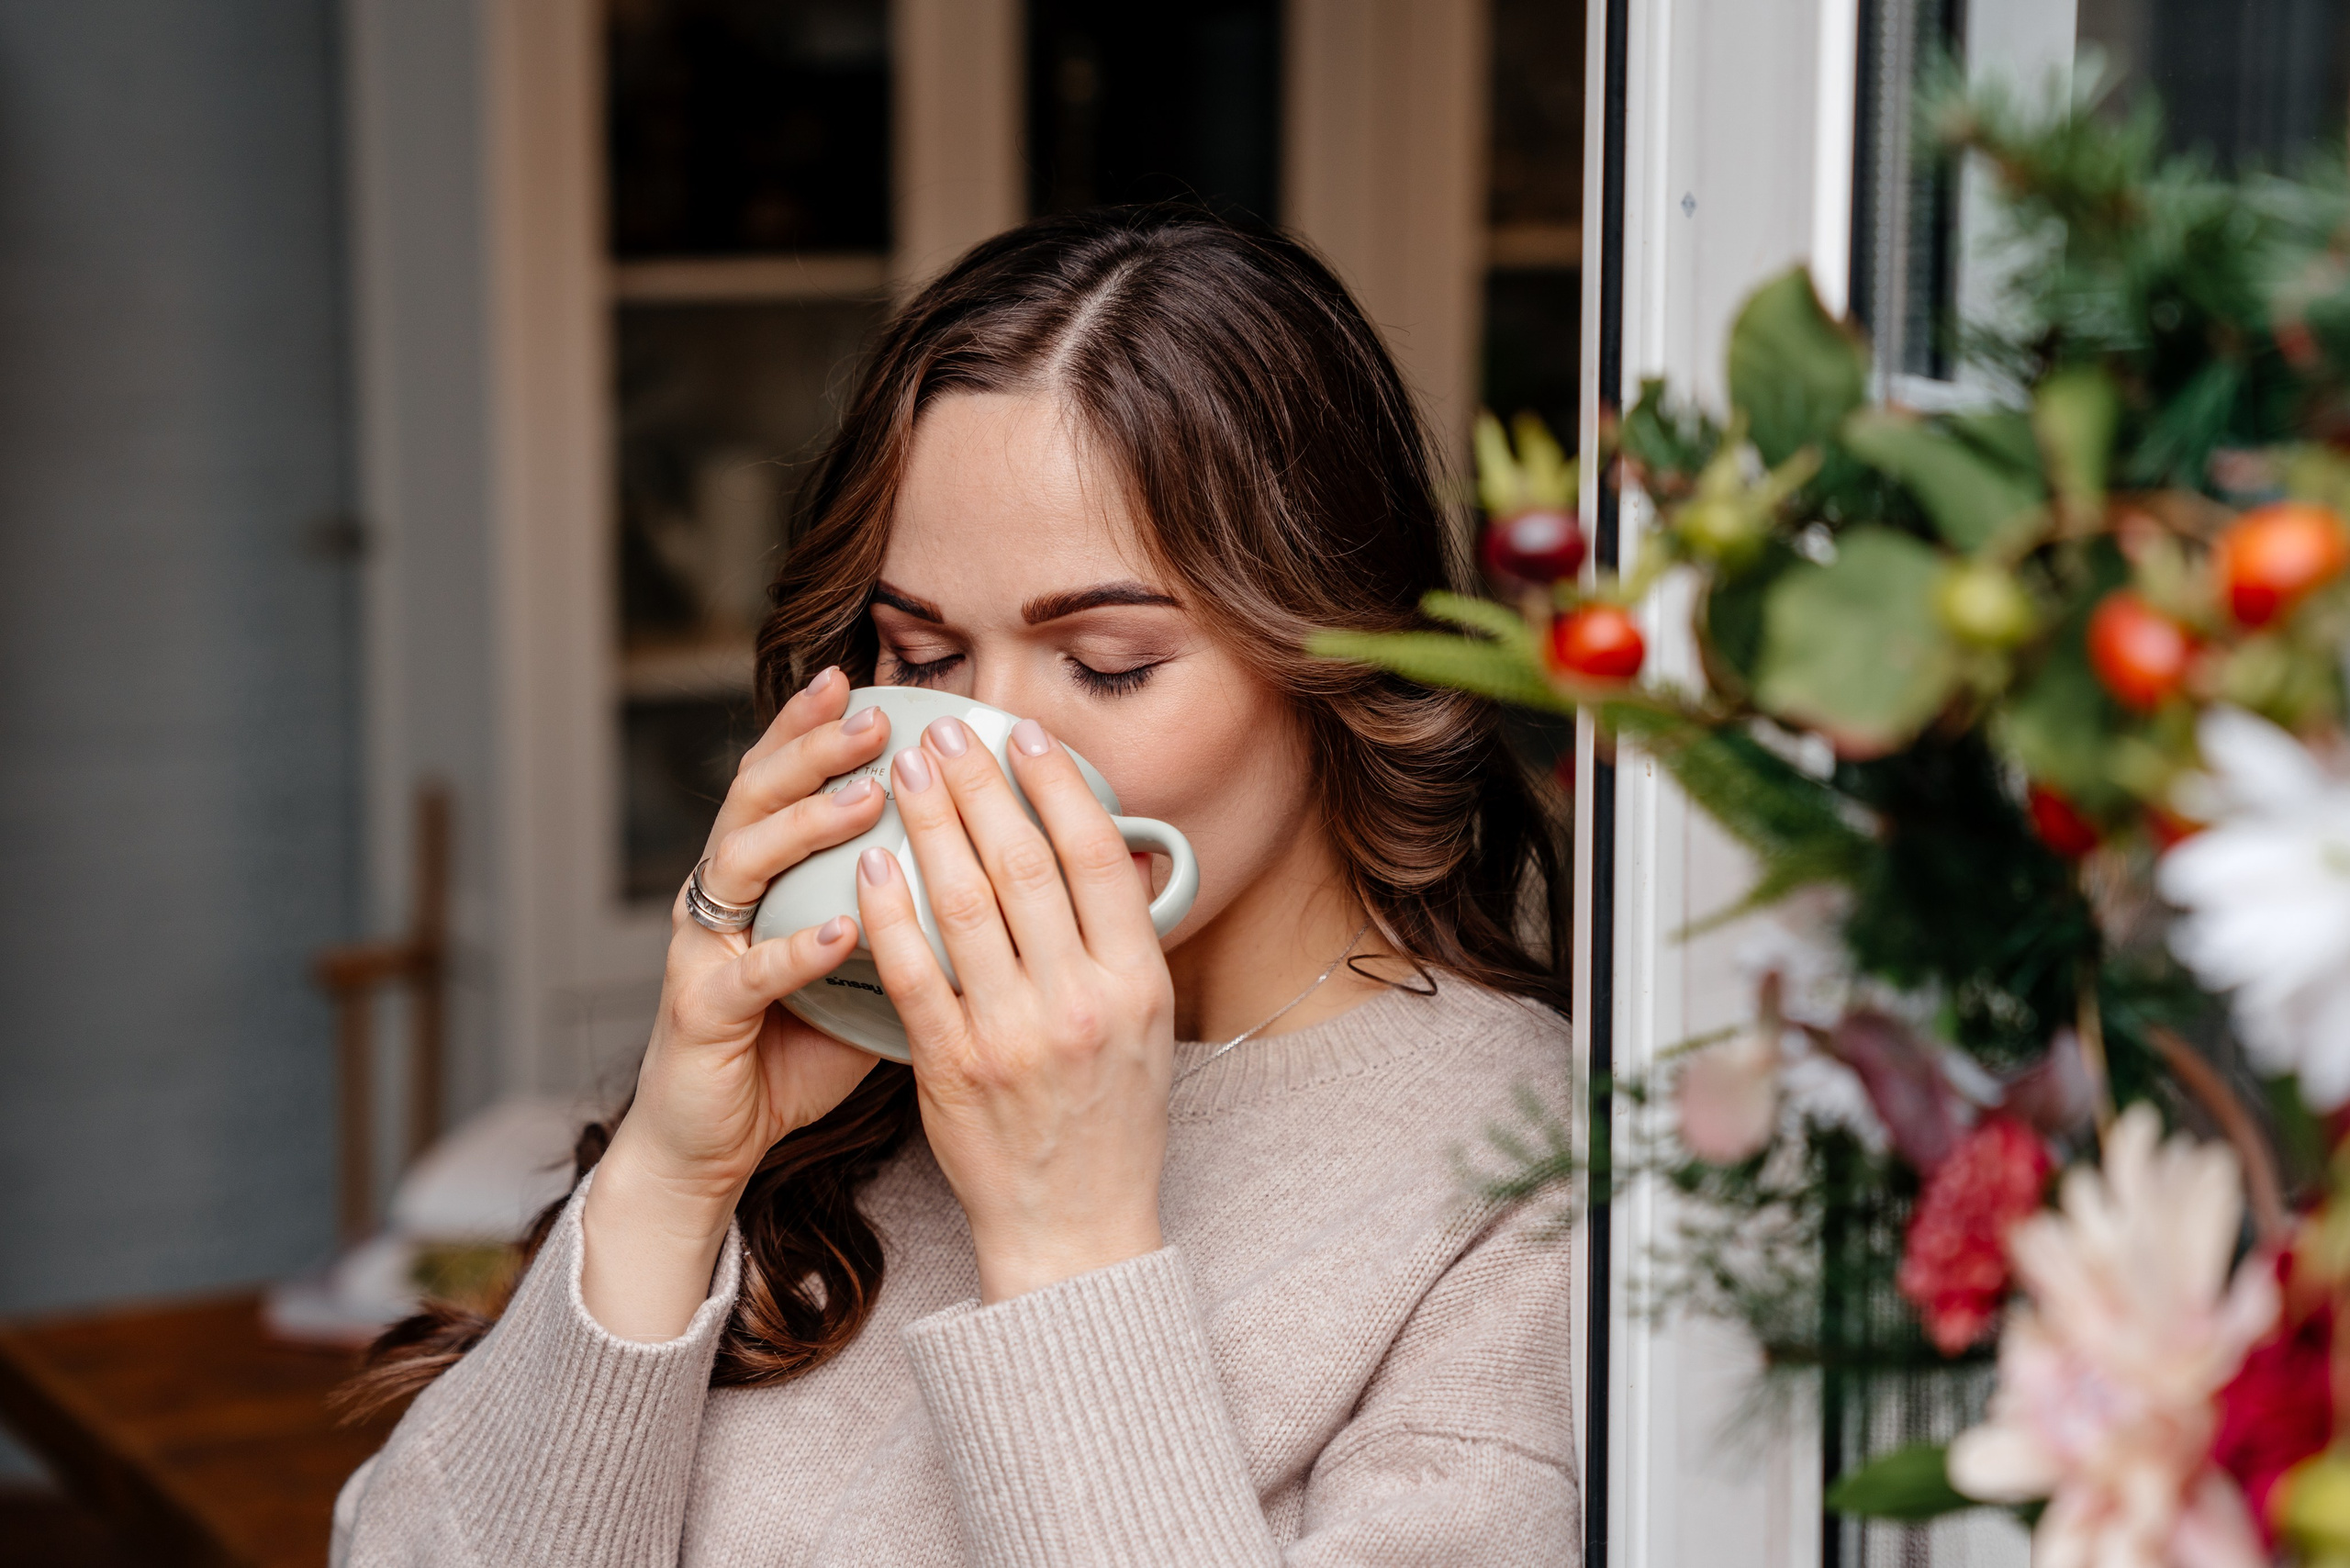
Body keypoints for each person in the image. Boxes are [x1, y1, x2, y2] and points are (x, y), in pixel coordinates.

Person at [331, 206, 1578, 1567]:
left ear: (1338, 651)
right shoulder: (848, 1077)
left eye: (1106, 662)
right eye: (922, 654)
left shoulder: (1524, 1179)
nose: (993, 752)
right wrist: (672, 1175)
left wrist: (1068, 1241)